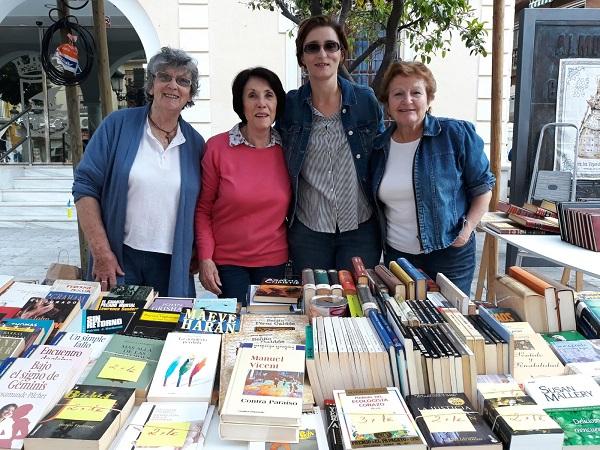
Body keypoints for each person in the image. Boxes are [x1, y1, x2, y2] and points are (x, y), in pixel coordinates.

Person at [73, 47, 204, 297]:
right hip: (120, 258)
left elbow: (203, 205)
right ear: (151, 85)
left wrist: (199, 251)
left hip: (173, 263)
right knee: (115, 328)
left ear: (190, 93)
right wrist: (101, 252)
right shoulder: (117, 125)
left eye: (183, 81)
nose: (173, 85)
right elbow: (85, 187)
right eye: (164, 76)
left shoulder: (195, 144)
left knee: (167, 331)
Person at [371, 61, 495, 295]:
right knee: (406, 321)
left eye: (416, 93)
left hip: (449, 252)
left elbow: (483, 187)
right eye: (398, 94)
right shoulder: (379, 147)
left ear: (429, 100)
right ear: (388, 104)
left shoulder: (455, 134)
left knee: (450, 321)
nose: (407, 100)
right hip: (399, 257)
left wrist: (466, 230)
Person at [277, 15, 384, 273]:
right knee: (315, 306)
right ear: (302, 58)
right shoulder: (289, 106)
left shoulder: (365, 101)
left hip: (360, 229)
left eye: (330, 46)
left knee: (356, 307)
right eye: (312, 47)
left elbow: (383, 154)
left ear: (341, 53)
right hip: (309, 232)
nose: (321, 54)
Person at [195, 67, 290, 304]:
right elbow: (203, 210)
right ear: (241, 104)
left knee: (269, 333)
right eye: (252, 95)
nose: (261, 103)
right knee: (233, 332)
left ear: (277, 103)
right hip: (227, 264)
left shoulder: (289, 150)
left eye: (269, 95)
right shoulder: (217, 148)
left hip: (274, 262)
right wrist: (205, 258)